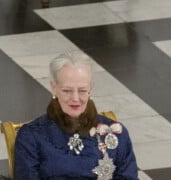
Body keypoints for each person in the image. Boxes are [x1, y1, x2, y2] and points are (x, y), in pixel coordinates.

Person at [14, 50, 138, 179]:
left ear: (91, 88)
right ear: (54, 88)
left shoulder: (115, 132)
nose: (75, 98)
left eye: (82, 90)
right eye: (67, 90)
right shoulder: (31, 136)